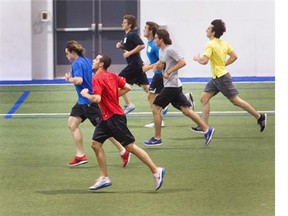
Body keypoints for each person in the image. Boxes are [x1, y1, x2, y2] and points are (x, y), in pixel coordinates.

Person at [80, 53, 165, 191]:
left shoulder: (97, 78)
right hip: (107, 118)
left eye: (96, 59)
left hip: (114, 118)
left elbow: (97, 99)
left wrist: (86, 94)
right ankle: (104, 178)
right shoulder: (112, 76)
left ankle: (156, 170)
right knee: (95, 144)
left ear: (101, 64)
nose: (93, 61)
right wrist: (113, 95)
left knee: (131, 147)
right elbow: (127, 87)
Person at [192, 19, 267, 133]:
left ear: (213, 32)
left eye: (208, 28)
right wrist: (223, 65)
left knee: (236, 101)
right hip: (217, 77)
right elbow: (234, 56)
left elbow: (204, 61)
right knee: (204, 98)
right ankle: (204, 126)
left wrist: (197, 59)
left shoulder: (210, 44)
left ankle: (259, 117)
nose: (206, 30)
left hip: (221, 78)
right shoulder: (224, 43)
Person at [64, 40, 131, 167]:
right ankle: (80, 155)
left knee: (105, 128)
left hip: (89, 101)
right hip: (82, 101)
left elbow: (79, 80)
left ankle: (123, 150)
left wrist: (69, 79)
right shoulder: (88, 61)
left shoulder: (76, 63)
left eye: (67, 53)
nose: (67, 56)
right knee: (72, 124)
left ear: (72, 52)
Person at [143, 29, 215, 147]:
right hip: (172, 86)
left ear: (161, 39)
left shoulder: (170, 50)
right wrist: (154, 67)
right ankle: (207, 129)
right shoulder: (161, 51)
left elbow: (182, 62)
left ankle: (157, 138)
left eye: (156, 38)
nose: (154, 40)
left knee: (156, 108)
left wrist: (169, 71)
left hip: (172, 86)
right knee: (186, 110)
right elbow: (162, 63)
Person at [116, 15, 149, 114]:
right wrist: (122, 46)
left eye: (125, 22)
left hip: (134, 65)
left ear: (130, 25)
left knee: (118, 81)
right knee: (147, 88)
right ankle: (162, 105)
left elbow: (142, 45)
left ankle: (129, 105)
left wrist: (129, 53)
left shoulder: (132, 34)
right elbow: (130, 48)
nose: (122, 24)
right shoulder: (127, 36)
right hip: (137, 65)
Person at [142, 21, 168, 128]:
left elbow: (162, 59)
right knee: (155, 96)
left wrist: (148, 67)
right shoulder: (149, 43)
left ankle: (158, 120)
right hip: (156, 74)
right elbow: (155, 59)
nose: (143, 30)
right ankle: (187, 100)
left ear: (151, 31)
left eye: (145, 28)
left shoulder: (154, 44)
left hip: (159, 74)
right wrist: (148, 65)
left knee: (151, 96)